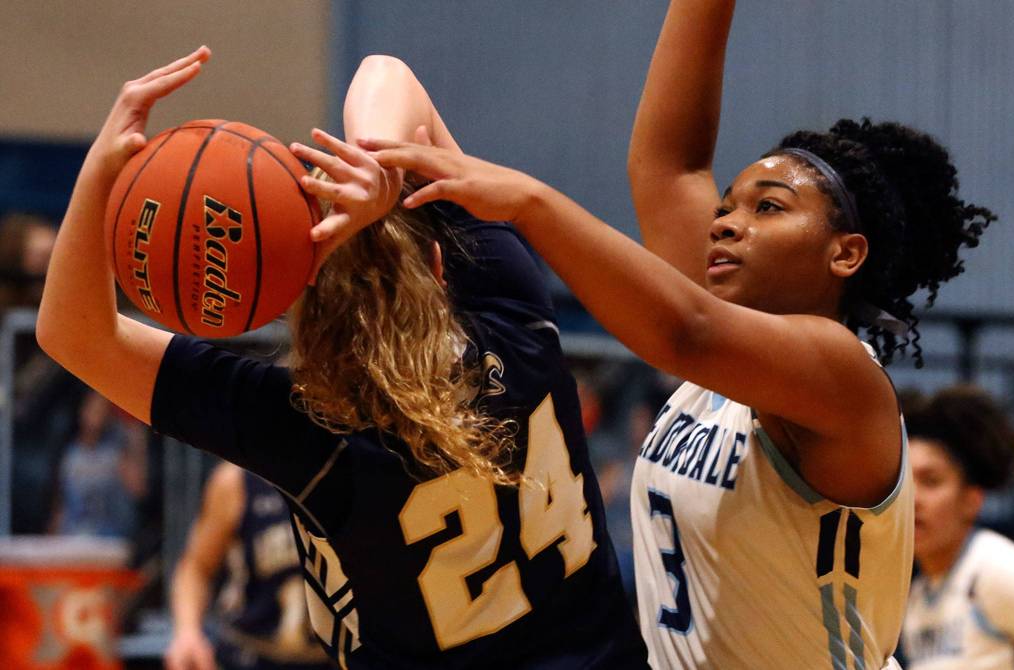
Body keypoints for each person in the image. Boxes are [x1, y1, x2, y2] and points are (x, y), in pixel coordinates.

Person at [363, 3, 997, 668]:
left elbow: (684, 332)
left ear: (845, 254)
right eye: (726, 206)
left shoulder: (842, 377)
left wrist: (527, 199)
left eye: (768, 208)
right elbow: (671, 166)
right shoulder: (731, 334)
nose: (726, 222)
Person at [35, 48, 647, 669]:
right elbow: (386, 71)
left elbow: (72, 334)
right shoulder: (513, 315)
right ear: (441, 267)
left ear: (286, 309)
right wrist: (375, 162)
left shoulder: (304, 433)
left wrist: (100, 173)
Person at [899, 386, 1014, 668]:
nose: (913, 499)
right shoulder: (916, 599)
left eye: (931, 481)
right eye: (904, 483)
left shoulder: (995, 569)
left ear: (971, 500)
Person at [165, 462, 333, 670]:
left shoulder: (344, 471)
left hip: (329, 659)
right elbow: (196, 567)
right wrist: (187, 631)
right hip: (250, 653)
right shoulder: (235, 481)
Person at [50, 389, 147, 538]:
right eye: (93, 408)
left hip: (109, 539)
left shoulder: (116, 452)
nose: (97, 415)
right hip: (72, 537)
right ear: (82, 409)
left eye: (102, 410)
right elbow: (61, 503)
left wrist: (135, 433)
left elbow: (138, 489)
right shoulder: (69, 454)